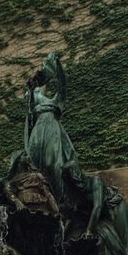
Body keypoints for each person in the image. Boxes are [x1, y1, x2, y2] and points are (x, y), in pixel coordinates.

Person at [24, 52, 81, 203]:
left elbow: (63, 85)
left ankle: (60, 198)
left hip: (52, 128)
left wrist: (58, 66)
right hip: (38, 128)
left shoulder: (57, 101)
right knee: (34, 161)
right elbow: (30, 107)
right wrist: (31, 90)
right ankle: (42, 196)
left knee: (51, 163)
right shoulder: (35, 99)